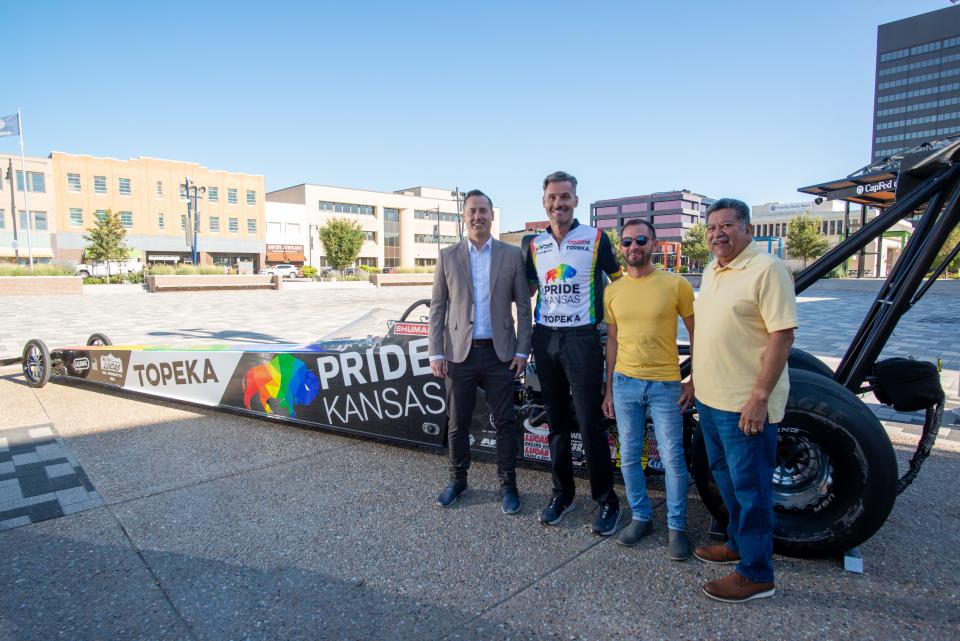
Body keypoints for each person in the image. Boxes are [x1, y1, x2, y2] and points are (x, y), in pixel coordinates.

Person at [692, 198, 797, 603]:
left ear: (748, 230)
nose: (718, 233)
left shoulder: (767, 270)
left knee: (752, 490)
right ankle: (737, 544)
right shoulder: (712, 270)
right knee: (727, 479)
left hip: (745, 406)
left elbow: (782, 335)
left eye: (728, 225)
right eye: (712, 226)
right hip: (711, 400)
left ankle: (756, 574)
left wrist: (759, 397)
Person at [525, 171, 623, 535]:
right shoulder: (533, 244)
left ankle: (606, 500)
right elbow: (525, 291)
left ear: (576, 201)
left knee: (590, 422)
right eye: (552, 197)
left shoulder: (596, 238)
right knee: (556, 423)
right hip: (545, 338)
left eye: (565, 196)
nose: (558, 203)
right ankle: (562, 494)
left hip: (583, 339)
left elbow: (620, 284)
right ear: (544, 201)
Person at [429, 189, 532, 514]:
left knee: (504, 422)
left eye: (483, 211)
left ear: (491, 215)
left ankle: (508, 485)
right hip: (459, 353)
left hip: (500, 354)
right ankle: (458, 480)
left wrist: (522, 351)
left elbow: (525, 308)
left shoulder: (511, 255)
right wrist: (436, 352)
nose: (478, 216)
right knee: (457, 423)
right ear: (464, 216)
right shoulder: (448, 256)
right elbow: (437, 307)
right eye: (472, 211)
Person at [601, 218, 695, 560]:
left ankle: (677, 526)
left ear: (653, 243)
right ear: (621, 248)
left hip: (665, 384)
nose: (633, 247)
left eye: (640, 240)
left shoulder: (676, 285)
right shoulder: (613, 290)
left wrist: (694, 379)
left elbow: (698, 333)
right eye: (626, 242)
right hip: (625, 384)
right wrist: (609, 389)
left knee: (672, 458)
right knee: (628, 456)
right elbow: (612, 340)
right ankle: (641, 517)